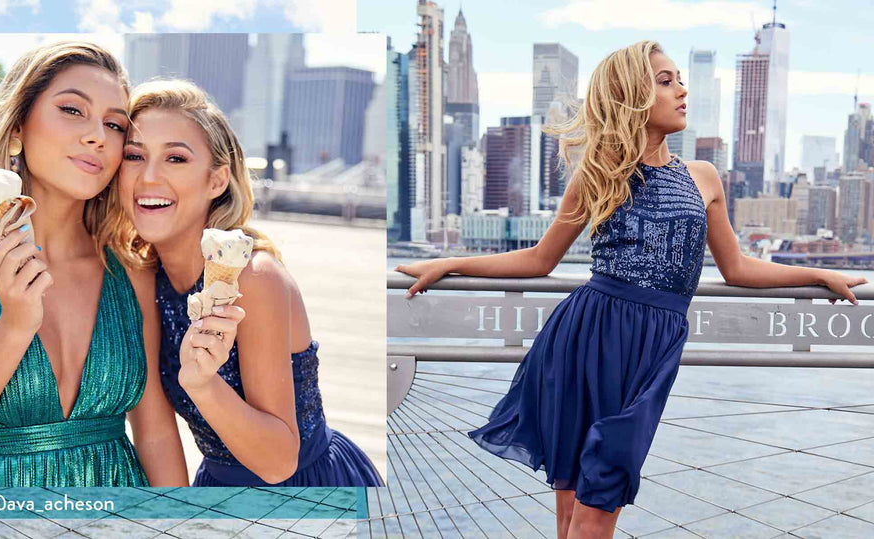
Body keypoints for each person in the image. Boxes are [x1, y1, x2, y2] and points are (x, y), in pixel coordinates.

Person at [395, 41, 867, 538]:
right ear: (631, 96)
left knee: (597, 498)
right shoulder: (600, 173)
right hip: (585, 339)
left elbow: (737, 269)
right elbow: (539, 259)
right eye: (665, 81)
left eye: (680, 79)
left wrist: (818, 275)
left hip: (651, 348)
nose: (682, 90)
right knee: (579, 511)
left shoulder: (703, 177)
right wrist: (451, 263)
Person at [0, 41, 188, 487]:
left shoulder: (133, 271)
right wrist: (13, 327)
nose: (97, 136)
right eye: (71, 110)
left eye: (114, 125)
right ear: (17, 127)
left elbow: (157, 434)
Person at [105, 79, 385, 487]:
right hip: (217, 491)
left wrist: (202, 384)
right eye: (135, 155)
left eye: (176, 159)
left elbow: (278, 462)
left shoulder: (254, 278)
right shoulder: (142, 275)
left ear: (217, 181)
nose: (149, 177)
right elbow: (157, 431)